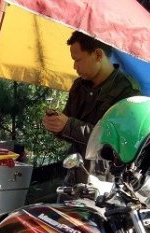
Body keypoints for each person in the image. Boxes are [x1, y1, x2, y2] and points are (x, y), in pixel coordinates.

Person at [42, 31, 140, 184]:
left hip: (104, 183)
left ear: (98, 55)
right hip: (74, 176)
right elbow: (68, 127)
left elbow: (117, 142)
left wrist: (69, 125)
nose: (74, 66)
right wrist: (56, 124)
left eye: (78, 60)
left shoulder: (127, 92)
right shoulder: (79, 86)